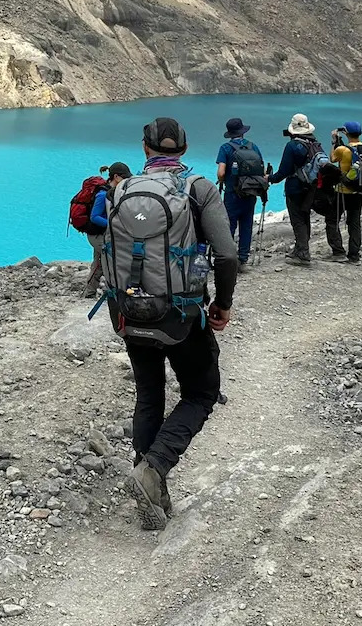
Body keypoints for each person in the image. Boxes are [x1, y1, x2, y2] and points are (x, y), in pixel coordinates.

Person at [105, 117, 238, 532]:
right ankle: (154, 470)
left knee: (149, 391)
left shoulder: (121, 189)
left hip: (128, 311)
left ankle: (152, 486)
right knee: (202, 392)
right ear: (182, 149)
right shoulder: (198, 188)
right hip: (179, 313)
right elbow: (227, 254)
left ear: (145, 149)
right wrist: (222, 304)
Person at [269, 113, 330, 265]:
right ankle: (301, 248)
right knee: (305, 217)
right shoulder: (314, 143)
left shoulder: (292, 146)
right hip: (311, 188)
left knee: (297, 220)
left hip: (295, 188)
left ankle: (303, 253)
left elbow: (284, 170)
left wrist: (271, 179)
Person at [215, 117, 268, 269]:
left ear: (230, 133)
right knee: (246, 224)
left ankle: (228, 259)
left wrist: (223, 180)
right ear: (243, 132)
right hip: (250, 192)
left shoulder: (225, 148)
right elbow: (263, 171)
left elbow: (221, 172)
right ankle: (243, 259)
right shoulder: (253, 146)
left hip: (232, 193)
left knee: (229, 225)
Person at [83, 162, 132, 297]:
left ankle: (90, 292)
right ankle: (110, 292)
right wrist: (113, 224)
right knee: (110, 259)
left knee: (100, 262)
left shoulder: (112, 192)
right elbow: (94, 217)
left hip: (102, 233)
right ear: (116, 177)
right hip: (97, 235)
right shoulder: (102, 195)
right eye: (124, 178)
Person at [332, 121, 362, 263]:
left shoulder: (343, 150)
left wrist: (335, 141)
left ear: (345, 133)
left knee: (332, 220)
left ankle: (338, 251)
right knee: (354, 222)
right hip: (359, 190)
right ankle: (354, 255)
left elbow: (333, 159)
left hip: (343, 191)